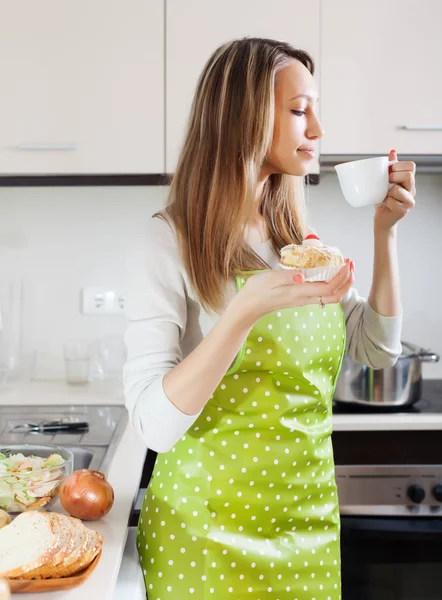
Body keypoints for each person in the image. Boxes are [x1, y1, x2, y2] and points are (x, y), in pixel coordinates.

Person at [123, 37, 416, 599]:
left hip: (305, 528)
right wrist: (244, 311)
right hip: (204, 536)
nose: (319, 130)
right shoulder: (167, 242)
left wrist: (386, 234)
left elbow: (378, 350)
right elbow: (153, 427)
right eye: (300, 110)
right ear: (244, 119)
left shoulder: (297, 244)